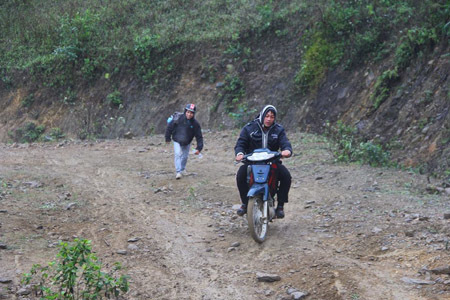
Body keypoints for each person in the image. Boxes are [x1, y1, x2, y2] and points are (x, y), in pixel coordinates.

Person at [234, 105, 292, 218]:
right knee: (240, 174)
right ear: (262, 115)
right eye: (267, 116)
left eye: (272, 116)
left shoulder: (278, 130)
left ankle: (280, 206)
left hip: (272, 162)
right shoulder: (249, 128)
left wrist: (287, 150)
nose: (269, 119)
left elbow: (285, 143)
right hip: (252, 163)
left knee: (286, 176)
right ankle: (245, 204)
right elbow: (241, 143)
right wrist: (240, 153)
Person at [165, 103, 203, 179]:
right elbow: (169, 127)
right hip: (176, 140)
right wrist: (167, 138)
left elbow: (199, 136)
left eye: (191, 113)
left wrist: (199, 148)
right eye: (188, 112)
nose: (189, 114)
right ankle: (178, 171)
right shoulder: (178, 119)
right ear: (185, 111)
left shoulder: (195, 124)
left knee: (185, 156)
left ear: (194, 114)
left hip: (187, 142)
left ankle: (182, 169)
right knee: (178, 154)